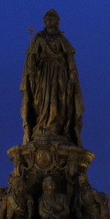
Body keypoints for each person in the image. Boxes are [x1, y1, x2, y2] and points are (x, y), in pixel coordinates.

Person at [21, 9, 84, 146]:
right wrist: (31, 69)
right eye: (48, 19)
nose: (50, 21)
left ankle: (56, 127)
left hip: (59, 73)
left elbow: (70, 57)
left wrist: (72, 72)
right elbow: (31, 58)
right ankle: (42, 125)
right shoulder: (38, 38)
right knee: (41, 100)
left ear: (57, 22)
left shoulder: (62, 40)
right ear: (44, 21)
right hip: (43, 74)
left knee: (59, 100)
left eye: (53, 19)